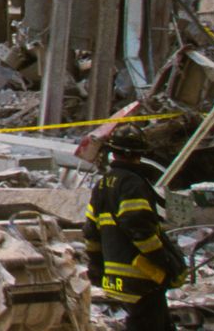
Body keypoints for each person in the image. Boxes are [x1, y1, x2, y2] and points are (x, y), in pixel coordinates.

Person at [84, 130, 184, 331]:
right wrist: (164, 260)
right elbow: (139, 229)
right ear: (139, 154)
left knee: (158, 323)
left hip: (115, 275)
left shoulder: (102, 184)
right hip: (141, 274)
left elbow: (91, 231)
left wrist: (95, 265)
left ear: (113, 152)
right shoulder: (132, 183)